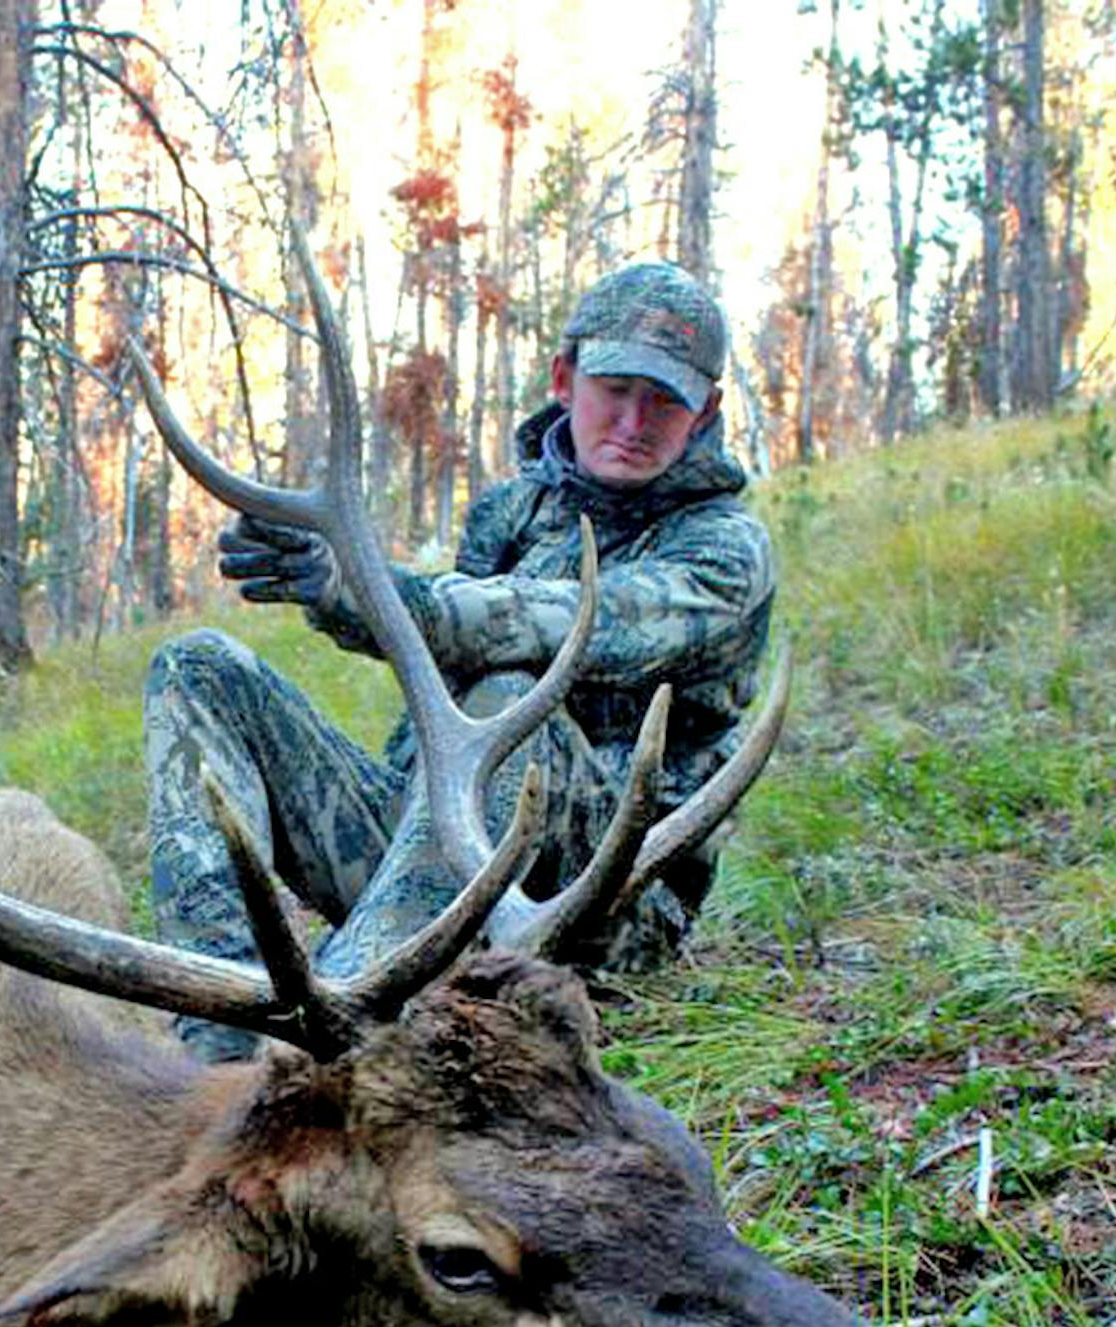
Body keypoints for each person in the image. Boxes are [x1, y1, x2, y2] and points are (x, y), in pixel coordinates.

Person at [143, 261, 776, 1061]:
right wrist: (342, 589)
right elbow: (434, 693)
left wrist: (357, 587)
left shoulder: (725, 550)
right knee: (199, 669)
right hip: (441, 860)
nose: (634, 419)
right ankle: (218, 1043)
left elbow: (561, 625)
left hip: (595, 913)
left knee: (513, 698)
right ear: (564, 377)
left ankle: (320, 1043)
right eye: (616, 386)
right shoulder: (509, 516)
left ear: (706, 411)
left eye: (666, 399)